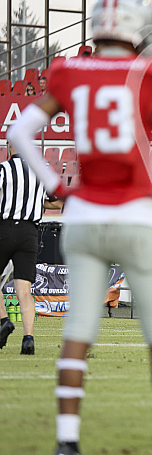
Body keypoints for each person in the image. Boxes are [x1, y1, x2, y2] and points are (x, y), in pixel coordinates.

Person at [6, 0, 152, 453]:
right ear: (140, 25)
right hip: (136, 214)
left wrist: (55, 185)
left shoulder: (71, 71)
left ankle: (67, 440)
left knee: (78, 332)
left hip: (85, 214)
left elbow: (18, 133)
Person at [0, 143, 62, 354]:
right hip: (30, 233)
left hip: (5, 229)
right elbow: (57, 202)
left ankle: (3, 321)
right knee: (24, 290)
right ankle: (28, 339)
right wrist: (37, 202)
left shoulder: (3, 169)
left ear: (9, 148)